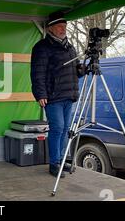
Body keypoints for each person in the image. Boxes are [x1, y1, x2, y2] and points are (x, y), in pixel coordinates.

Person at [30, 12, 84, 177]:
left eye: (64, 27)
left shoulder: (70, 47)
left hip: (69, 94)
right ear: (51, 28)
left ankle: (61, 161)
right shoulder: (42, 47)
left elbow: (75, 70)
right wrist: (40, 94)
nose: (63, 29)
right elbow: (37, 73)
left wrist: (82, 70)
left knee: (66, 129)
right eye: (59, 27)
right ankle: (54, 164)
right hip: (53, 96)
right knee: (57, 128)